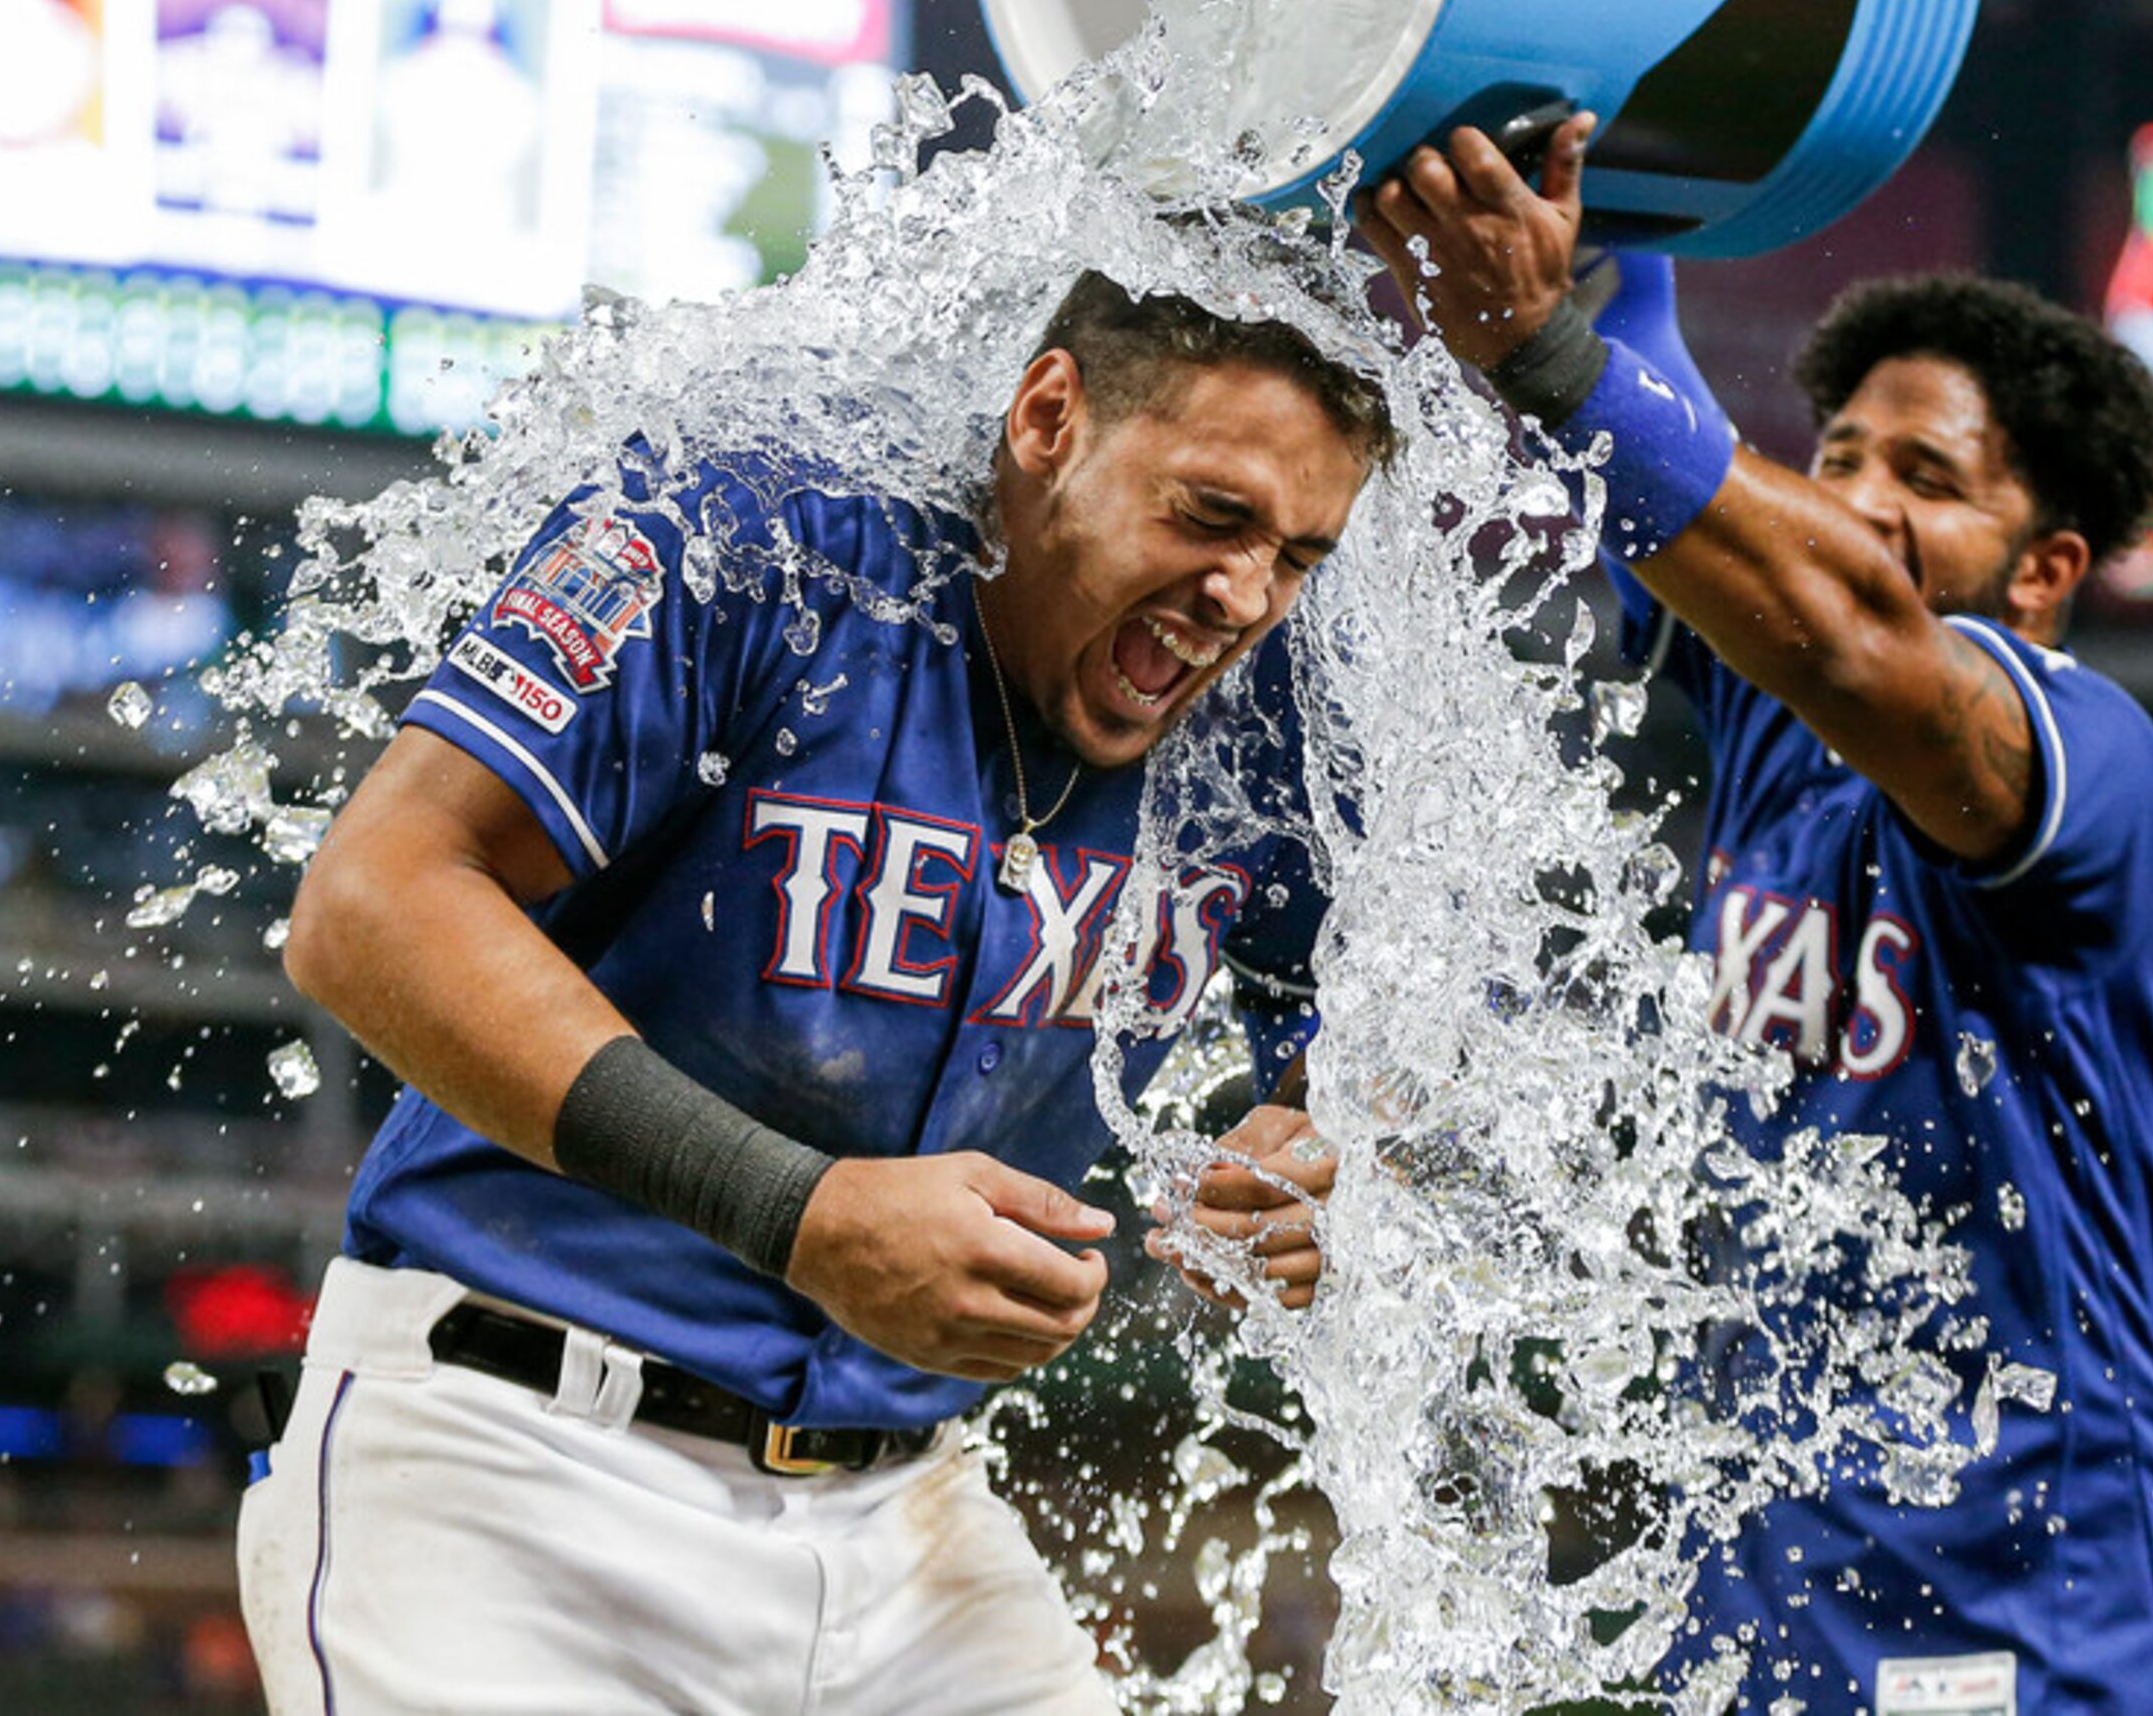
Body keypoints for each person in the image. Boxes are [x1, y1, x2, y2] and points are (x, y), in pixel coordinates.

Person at [236, 271, 1371, 1714]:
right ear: (1048, 418)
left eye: (1299, 553)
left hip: (904, 1522)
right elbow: (369, 904)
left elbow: (1389, 1035)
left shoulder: (1274, 719)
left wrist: (1328, 1156)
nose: (1246, 596)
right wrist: (800, 1211)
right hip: (510, 1464)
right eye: (1210, 515)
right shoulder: (751, 534)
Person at [1357, 118, 2153, 1712]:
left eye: (1926, 478)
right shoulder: (1781, 709)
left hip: (2067, 1600)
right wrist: (1560, 170)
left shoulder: (2099, 765)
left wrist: (1544, 346)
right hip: (1790, 1593)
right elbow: (1652, 398)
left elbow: (1841, 615)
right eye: (1837, 454)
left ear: (2046, 569)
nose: (1853, 499)